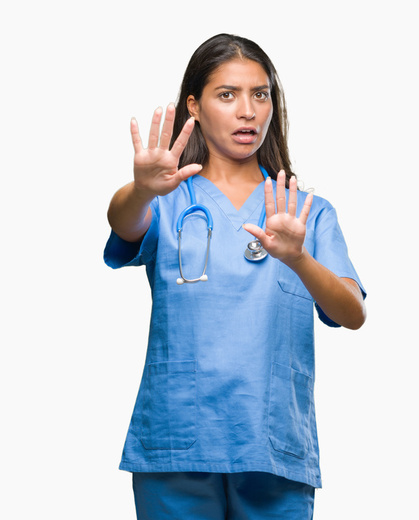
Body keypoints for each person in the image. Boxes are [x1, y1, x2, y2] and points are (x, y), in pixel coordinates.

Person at [104, 33, 367, 520]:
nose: (248, 110)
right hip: (176, 441)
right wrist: (141, 189)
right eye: (227, 95)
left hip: (270, 444)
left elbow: (352, 313)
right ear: (195, 107)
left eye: (260, 94)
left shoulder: (305, 212)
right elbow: (124, 222)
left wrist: (298, 258)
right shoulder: (167, 199)